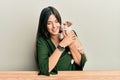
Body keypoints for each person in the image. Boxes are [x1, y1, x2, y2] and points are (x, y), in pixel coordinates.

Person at [35, 6, 87, 76]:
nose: (54, 26)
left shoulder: (69, 33)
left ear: (60, 21)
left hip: (74, 77)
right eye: (49, 23)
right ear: (44, 25)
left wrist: (70, 44)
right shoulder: (42, 41)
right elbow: (45, 69)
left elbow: (81, 63)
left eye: (56, 21)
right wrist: (63, 44)